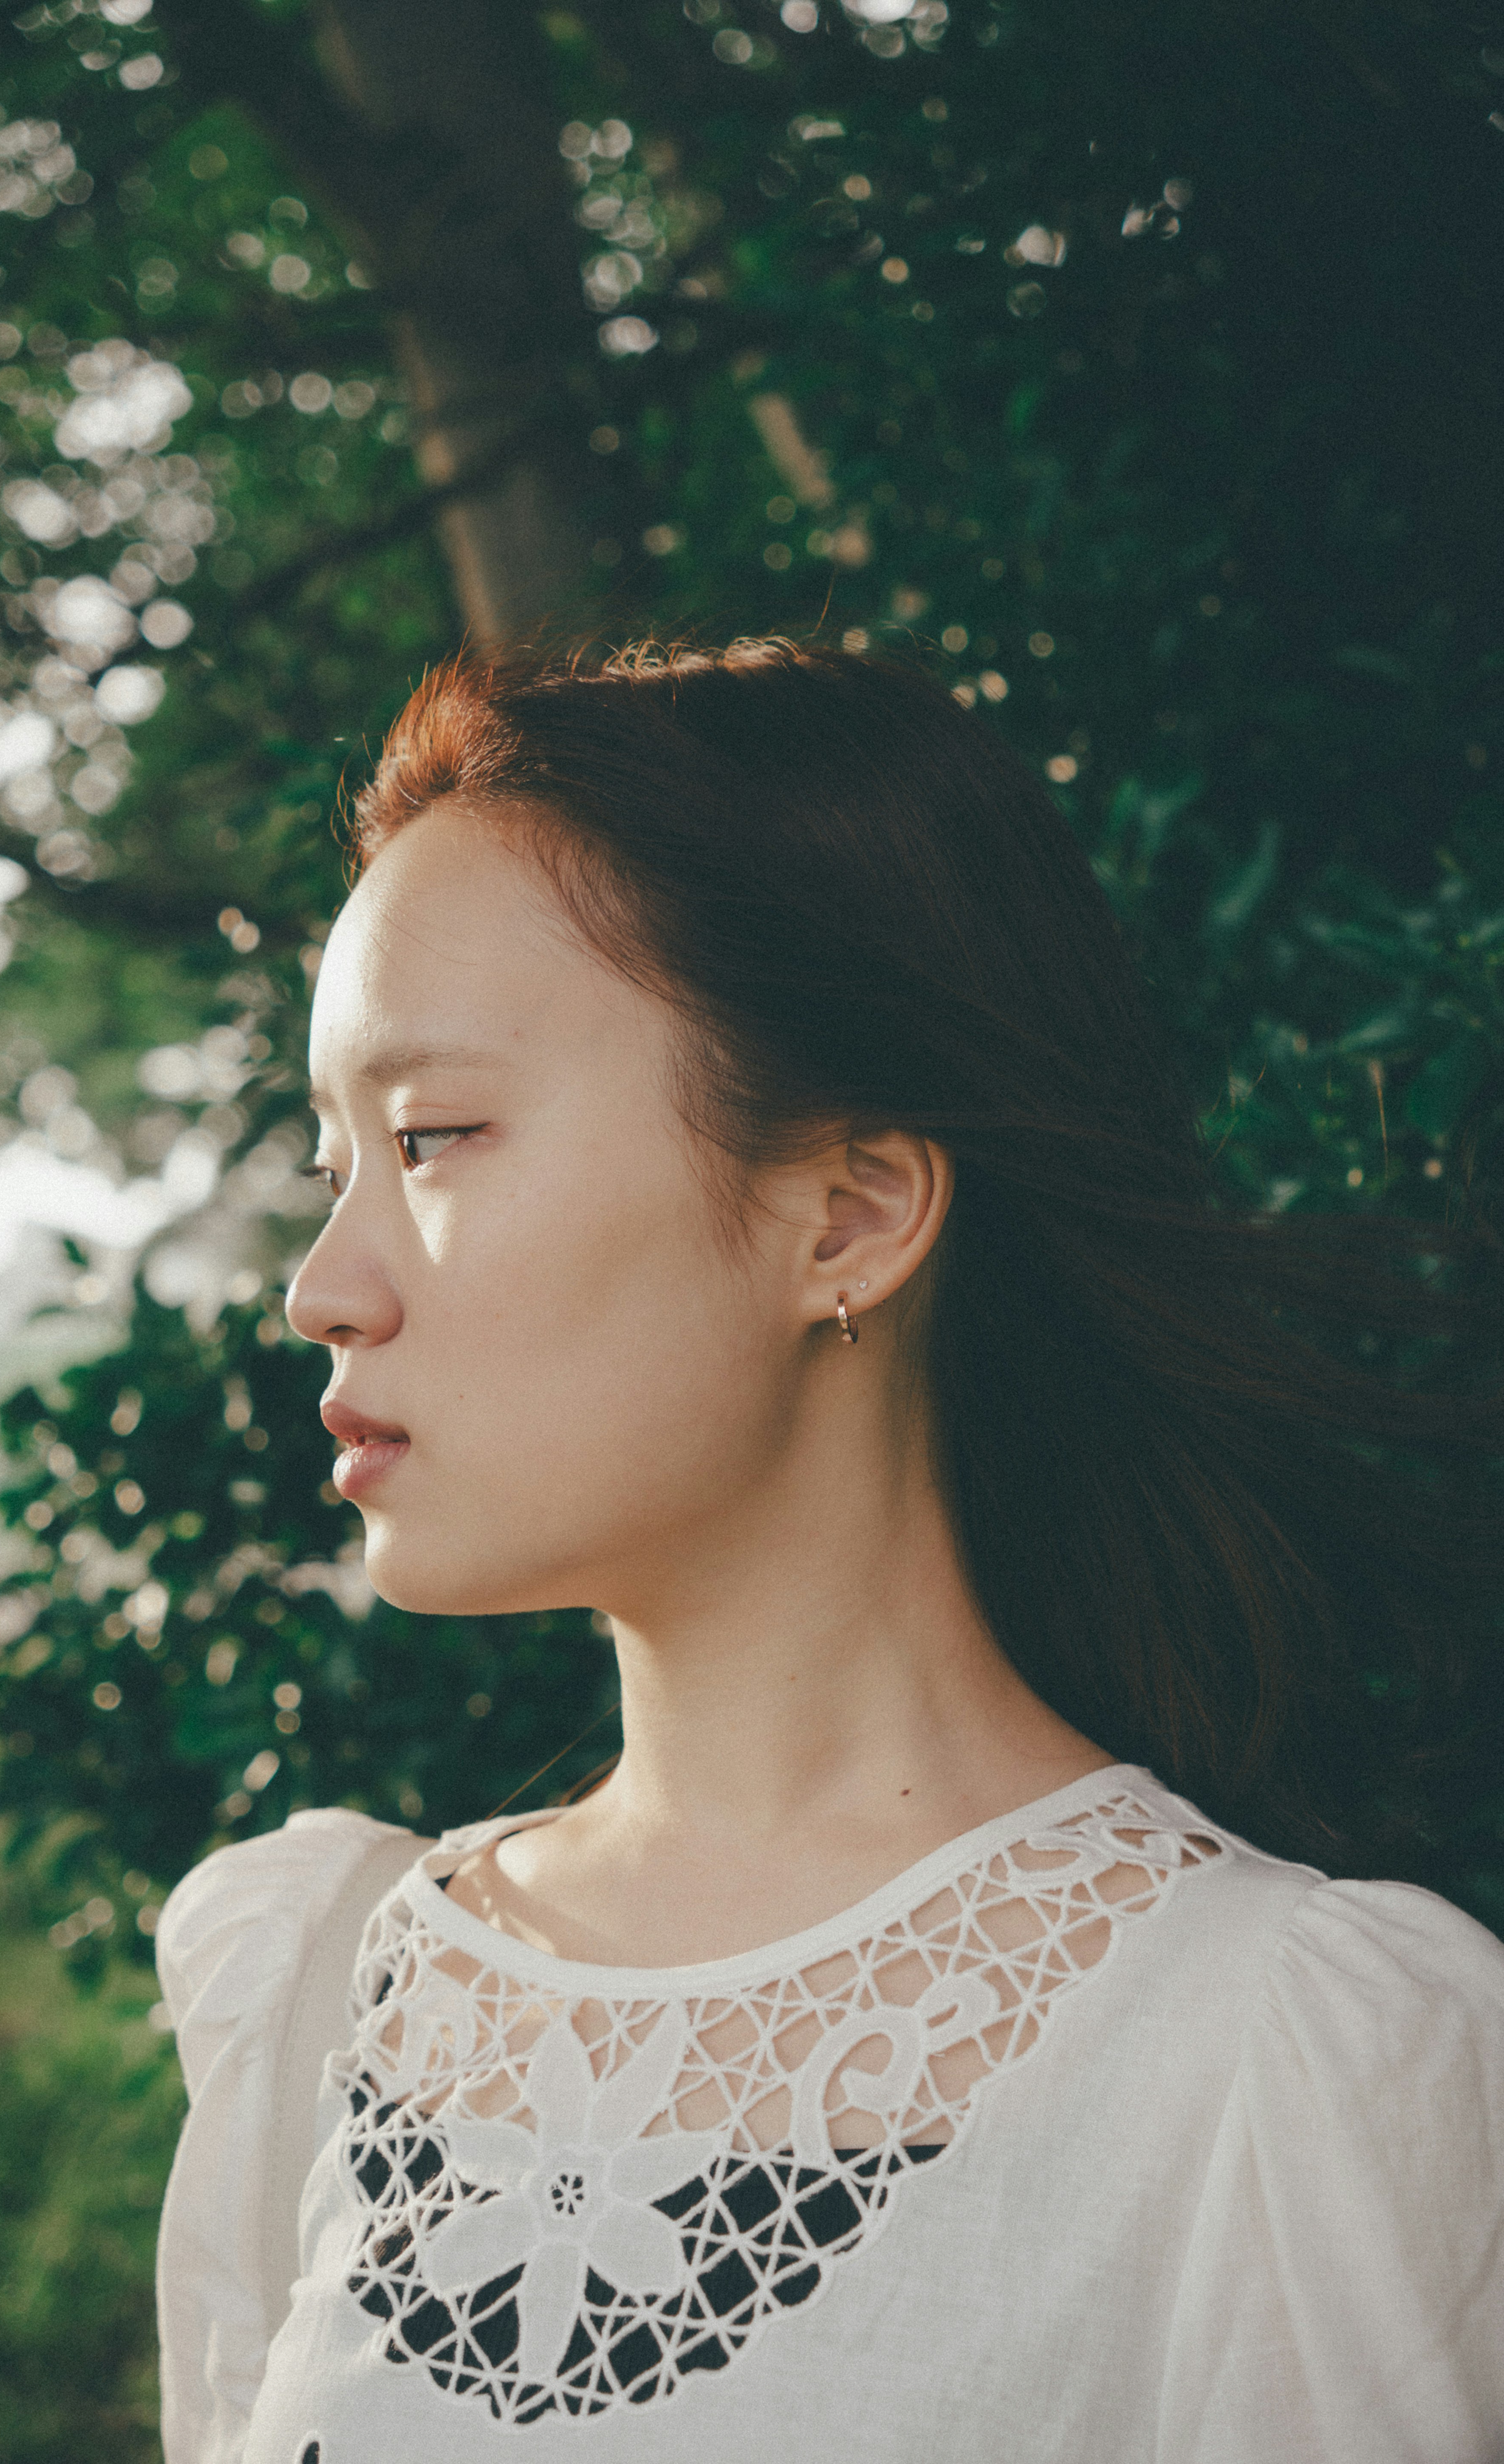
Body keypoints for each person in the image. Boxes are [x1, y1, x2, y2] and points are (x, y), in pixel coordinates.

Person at [154, 640, 1504, 2464]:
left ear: (850, 1214)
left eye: (435, 1136)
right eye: (335, 1163)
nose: (325, 1289)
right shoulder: (320, 1984)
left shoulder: (1289, 2076)